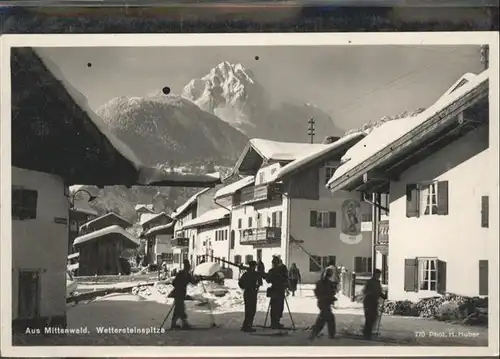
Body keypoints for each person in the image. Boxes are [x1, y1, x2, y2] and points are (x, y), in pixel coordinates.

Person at [309, 267, 337, 340]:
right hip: (325, 302)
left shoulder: (320, 282)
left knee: (325, 318)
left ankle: (315, 333)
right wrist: (331, 296)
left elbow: (317, 292)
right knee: (327, 319)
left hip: (322, 302)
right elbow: (331, 292)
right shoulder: (328, 283)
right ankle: (329, 335)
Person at [171, 259, 199, 329]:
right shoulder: (180, 274)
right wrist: (179, 286)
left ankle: (180, 323)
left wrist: (198, 279)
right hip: (177, 293)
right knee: (179, 308)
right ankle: (178, 324)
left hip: (182, 294)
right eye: (187, 267)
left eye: (188, 267)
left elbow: (193, 282)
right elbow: (174, 283)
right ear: (185, 267)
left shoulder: (188, 275)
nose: (188, 268)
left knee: (179, 308)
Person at [362, 269, 387, 340]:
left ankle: (366, 331)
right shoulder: (370, 282)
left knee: (373, 317)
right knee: (369, 317)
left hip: (374, 302)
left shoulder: (378, 282)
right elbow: (365, 291)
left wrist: (384, 296)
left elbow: (379, 292)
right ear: (374, 274)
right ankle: (367, 334)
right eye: (378, 274)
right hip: (368, 301)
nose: (379, 276)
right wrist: (371, 293)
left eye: (379, 275)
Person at [238, 261, 262, 332]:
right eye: (255, 266)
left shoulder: (246, 274)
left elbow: (240, 283)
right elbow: (260, 282)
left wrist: (245, 287)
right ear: (253, 266)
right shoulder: (254, 274)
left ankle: (246, 325)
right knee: (251, 310)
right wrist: (255, 286)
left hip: (247, 293)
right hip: (252, 293)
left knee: (248, 310)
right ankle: (247, 326)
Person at [266, 256, 289, 329]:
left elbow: (268, 280)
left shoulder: (273, 271)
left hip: (276, 290)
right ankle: (275, 323)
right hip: (279, 290)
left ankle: (275, 323)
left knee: (275, 307)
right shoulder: (280, 270)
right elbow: (285, 279)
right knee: (278, 307)